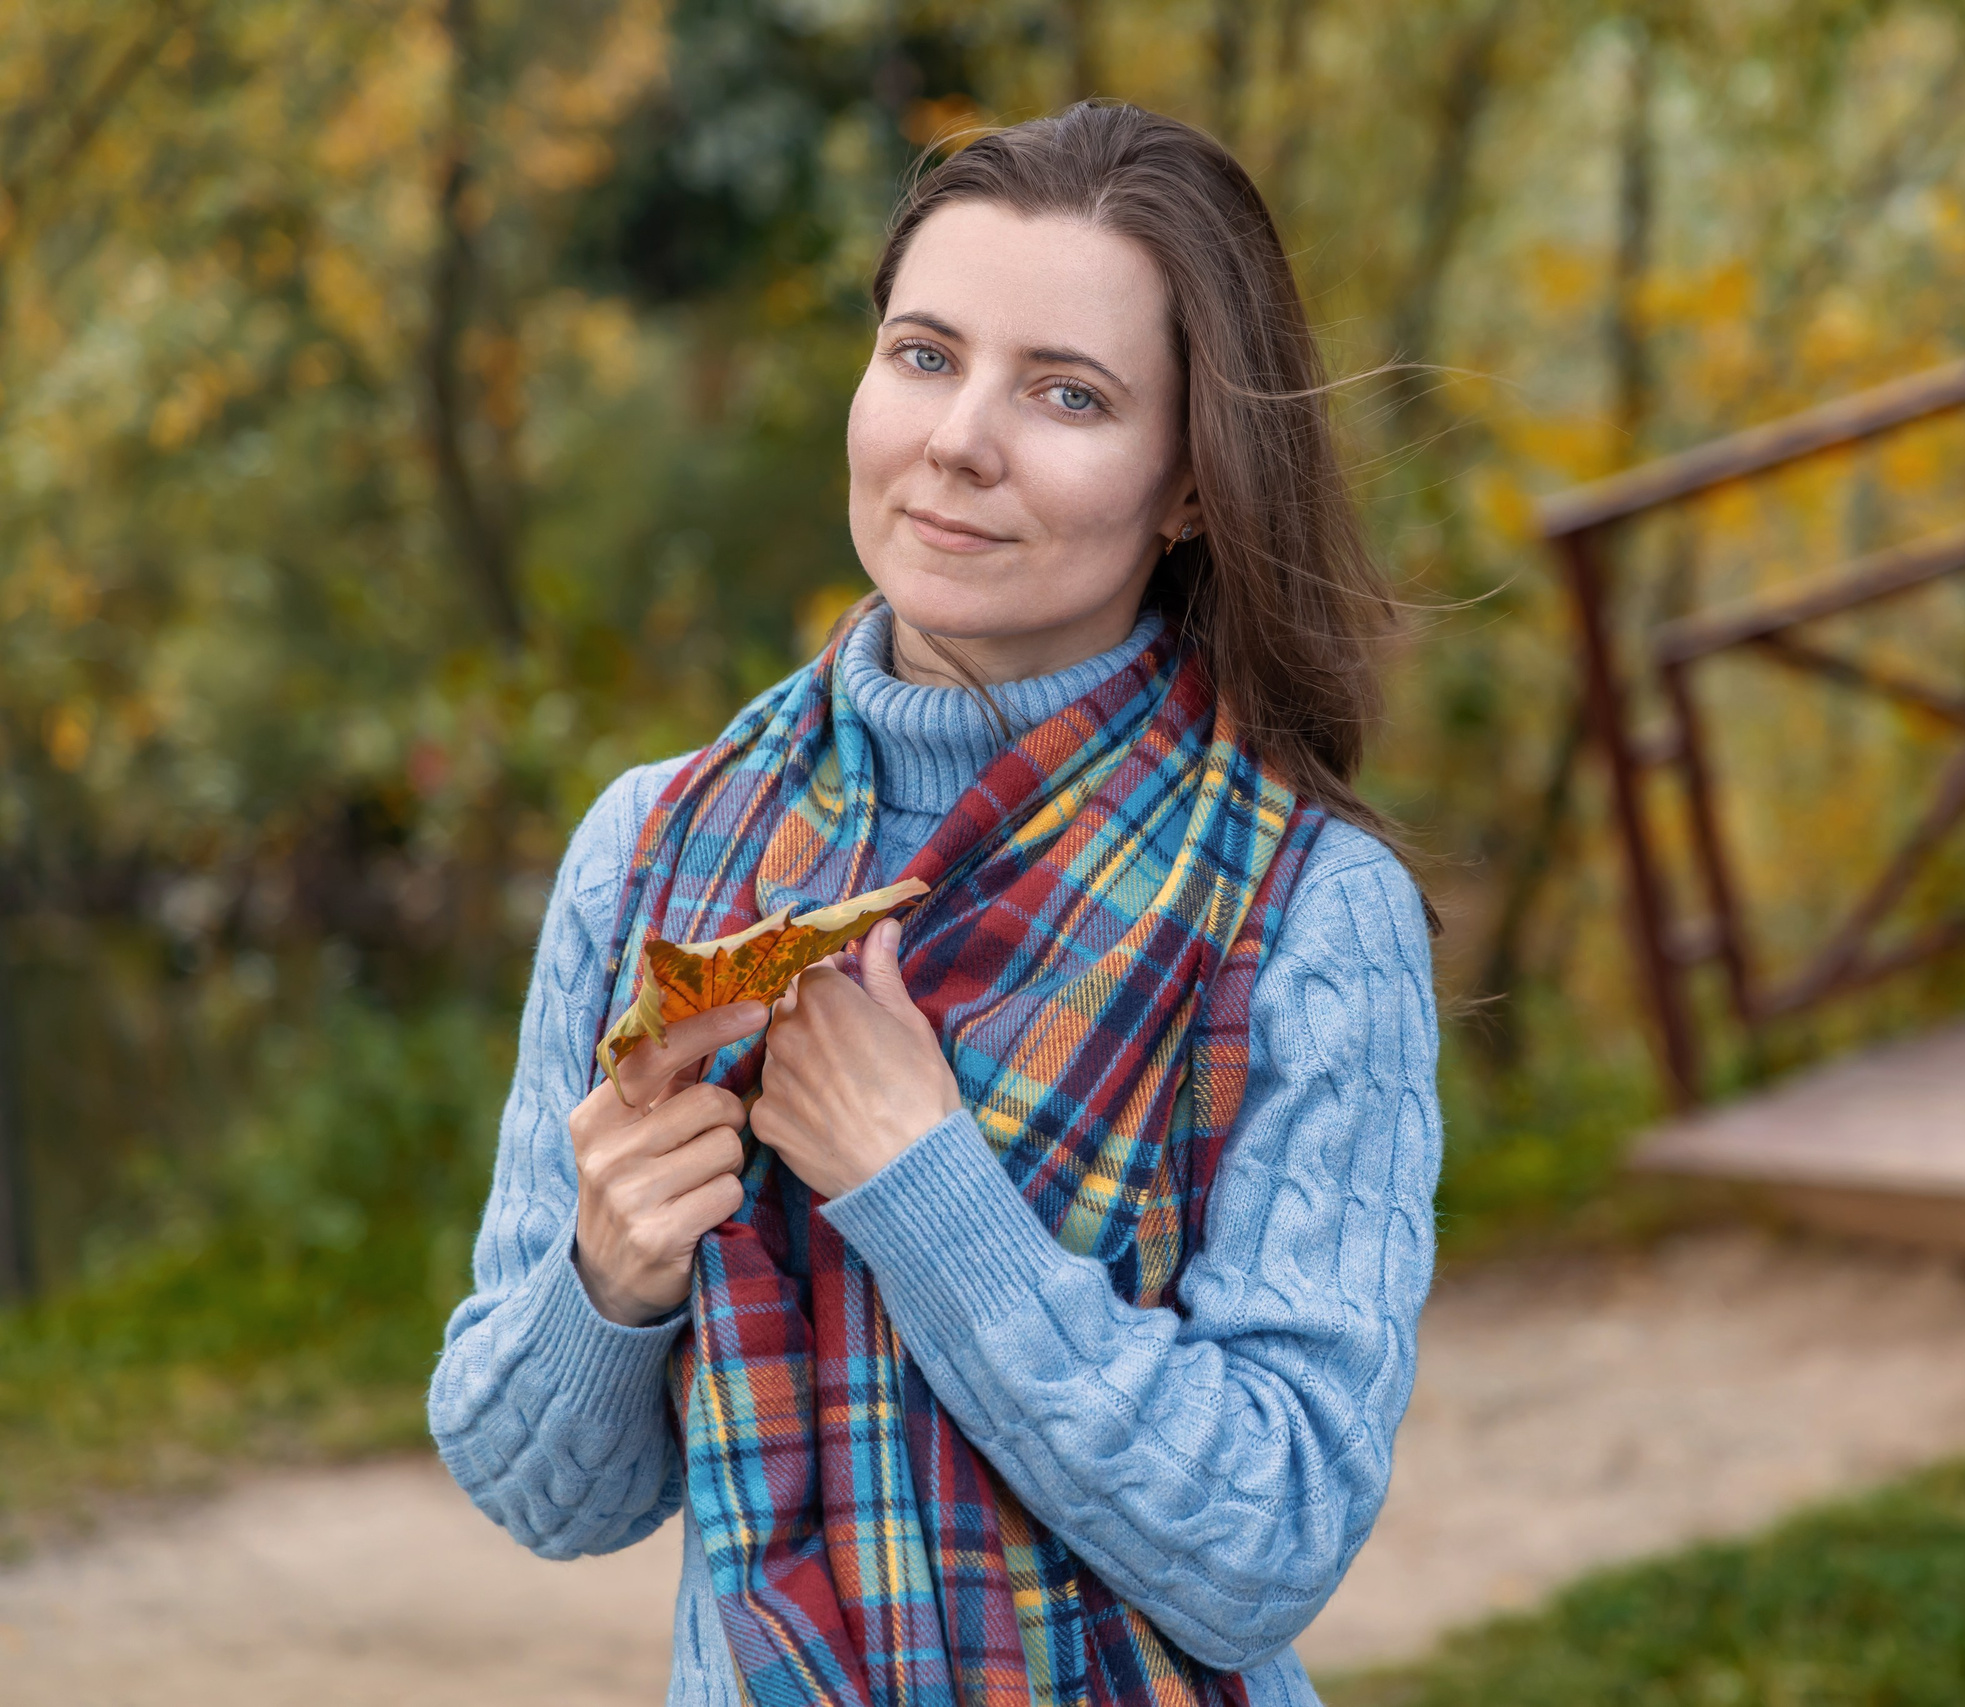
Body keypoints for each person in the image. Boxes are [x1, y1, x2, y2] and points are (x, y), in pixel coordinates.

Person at [427, 102, 1442, 1707]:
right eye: (923, 355)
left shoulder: (1305, 912)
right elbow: (540, 1488)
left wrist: (923, 1186)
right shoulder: (656, 848)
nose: (963, 437)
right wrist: (607, 1283)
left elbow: (1273, 1541)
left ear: (1189, 484)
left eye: (1068, 393)